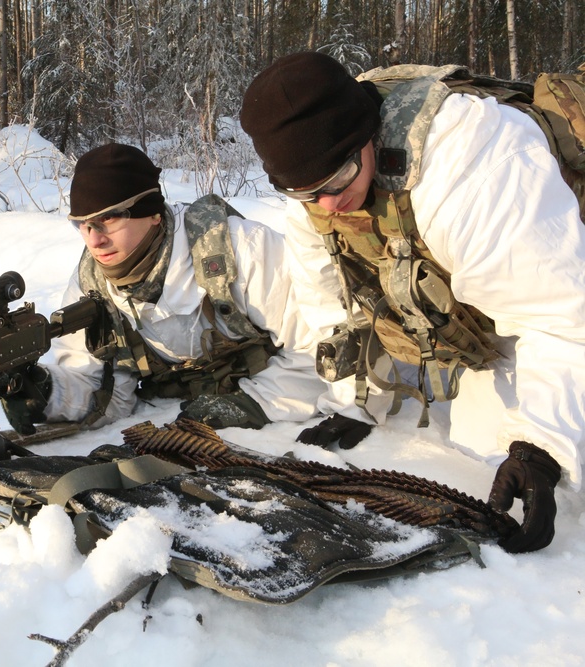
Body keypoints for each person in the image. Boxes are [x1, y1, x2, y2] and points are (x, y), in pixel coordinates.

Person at [239, 51, 585, 553]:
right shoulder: (317, 194)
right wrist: (355, 401)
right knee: (478, 444)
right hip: (506, 291)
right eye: (306, 193)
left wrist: (542, 447)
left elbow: (561, 314)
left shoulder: (471, 164)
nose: (329, 204)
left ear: (368, 136)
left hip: (561, 267)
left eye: (337, 180)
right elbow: (337, 307)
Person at [0, 143, 334, 441]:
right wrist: (48, 393)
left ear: (153, 215)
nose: (94, 240)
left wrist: (249, 405)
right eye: (82, 224)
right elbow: (110, 394)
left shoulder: (240, 250)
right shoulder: (92, 285)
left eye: (109, 220)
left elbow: (321, 354)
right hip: (174, 425)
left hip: (282, 423)